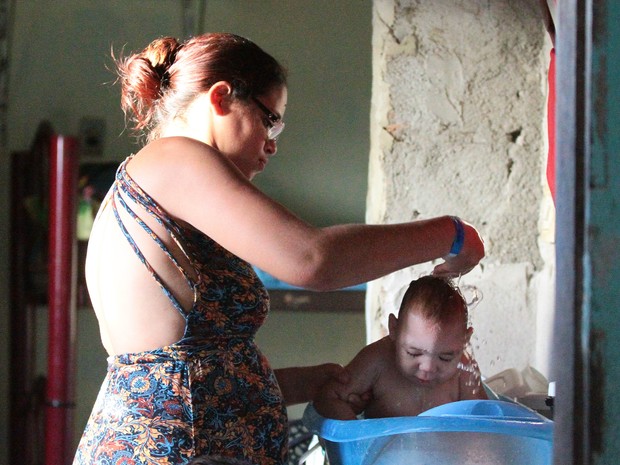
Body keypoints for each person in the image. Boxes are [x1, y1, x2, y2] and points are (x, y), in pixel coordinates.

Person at [72, 33, 485, 465]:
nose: (272, 144)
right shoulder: (174, 159)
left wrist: (293, 383)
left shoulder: (153, 182)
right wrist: (449, 233)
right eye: (270, 121)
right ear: (221, 98)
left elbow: (181, 373)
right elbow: (314, 260)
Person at [314, 276, 487, 420]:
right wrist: (354, 432)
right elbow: (328, 397)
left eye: (445, 357)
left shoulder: (464, 370)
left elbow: (486, 422)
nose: (427, 367)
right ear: (394, 329)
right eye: (413, 353)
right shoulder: (377, 360)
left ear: (465, 340)